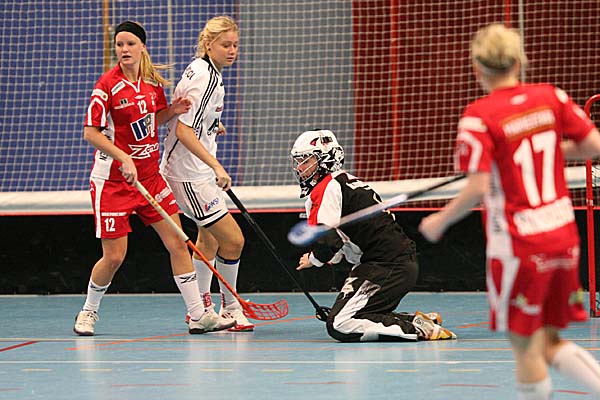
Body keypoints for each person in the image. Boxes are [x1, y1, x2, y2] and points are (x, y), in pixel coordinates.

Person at [419, 23, 600, 399]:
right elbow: (593, 145)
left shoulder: (479, 116)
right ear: (519, 61)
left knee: (526, 347)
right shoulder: (550, 97)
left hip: (520, 245)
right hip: (563, 236)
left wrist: (439, 221)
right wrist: (548, 148)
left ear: (477, 68)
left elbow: (477, 187)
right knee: (550, 341)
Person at [74, 20, 236, 336]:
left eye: (130, 44)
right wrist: (123, 157)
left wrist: (173, 111)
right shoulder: (107, 86)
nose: (124, 50)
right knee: (114, 256)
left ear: (142, 47)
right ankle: (88, 311)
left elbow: (154, 119)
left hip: (149, 178)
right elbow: (91, 133)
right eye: (119, 44)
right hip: (114, 182)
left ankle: (198, 315)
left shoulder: (151, 84)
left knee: (178, 242)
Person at [290, 129, 457, 342]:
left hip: (385, 265)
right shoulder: (346, 181)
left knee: (339, 324)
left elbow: (328, 241)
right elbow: (342, 239)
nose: (299, 167)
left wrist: (314, 259)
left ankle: (416, 329)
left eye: (306, 161)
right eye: (298, 161)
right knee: (353, 316)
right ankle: (415, 320)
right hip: (395, 262)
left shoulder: (326, 188)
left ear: (326, 160)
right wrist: (328, 256)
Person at [159, 16, 252, 332]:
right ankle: (231, 307)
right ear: (208, 44)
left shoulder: (205, 70)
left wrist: (212, 125)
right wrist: (216, 166)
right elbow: (183, 131)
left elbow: (192, 118)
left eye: (235, 45)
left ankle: (200, 310)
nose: (232, 50)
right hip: (190, 174)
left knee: (209, 239)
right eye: (226, 45)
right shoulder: (205, 78)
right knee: (233, 241)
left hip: (192, 170)